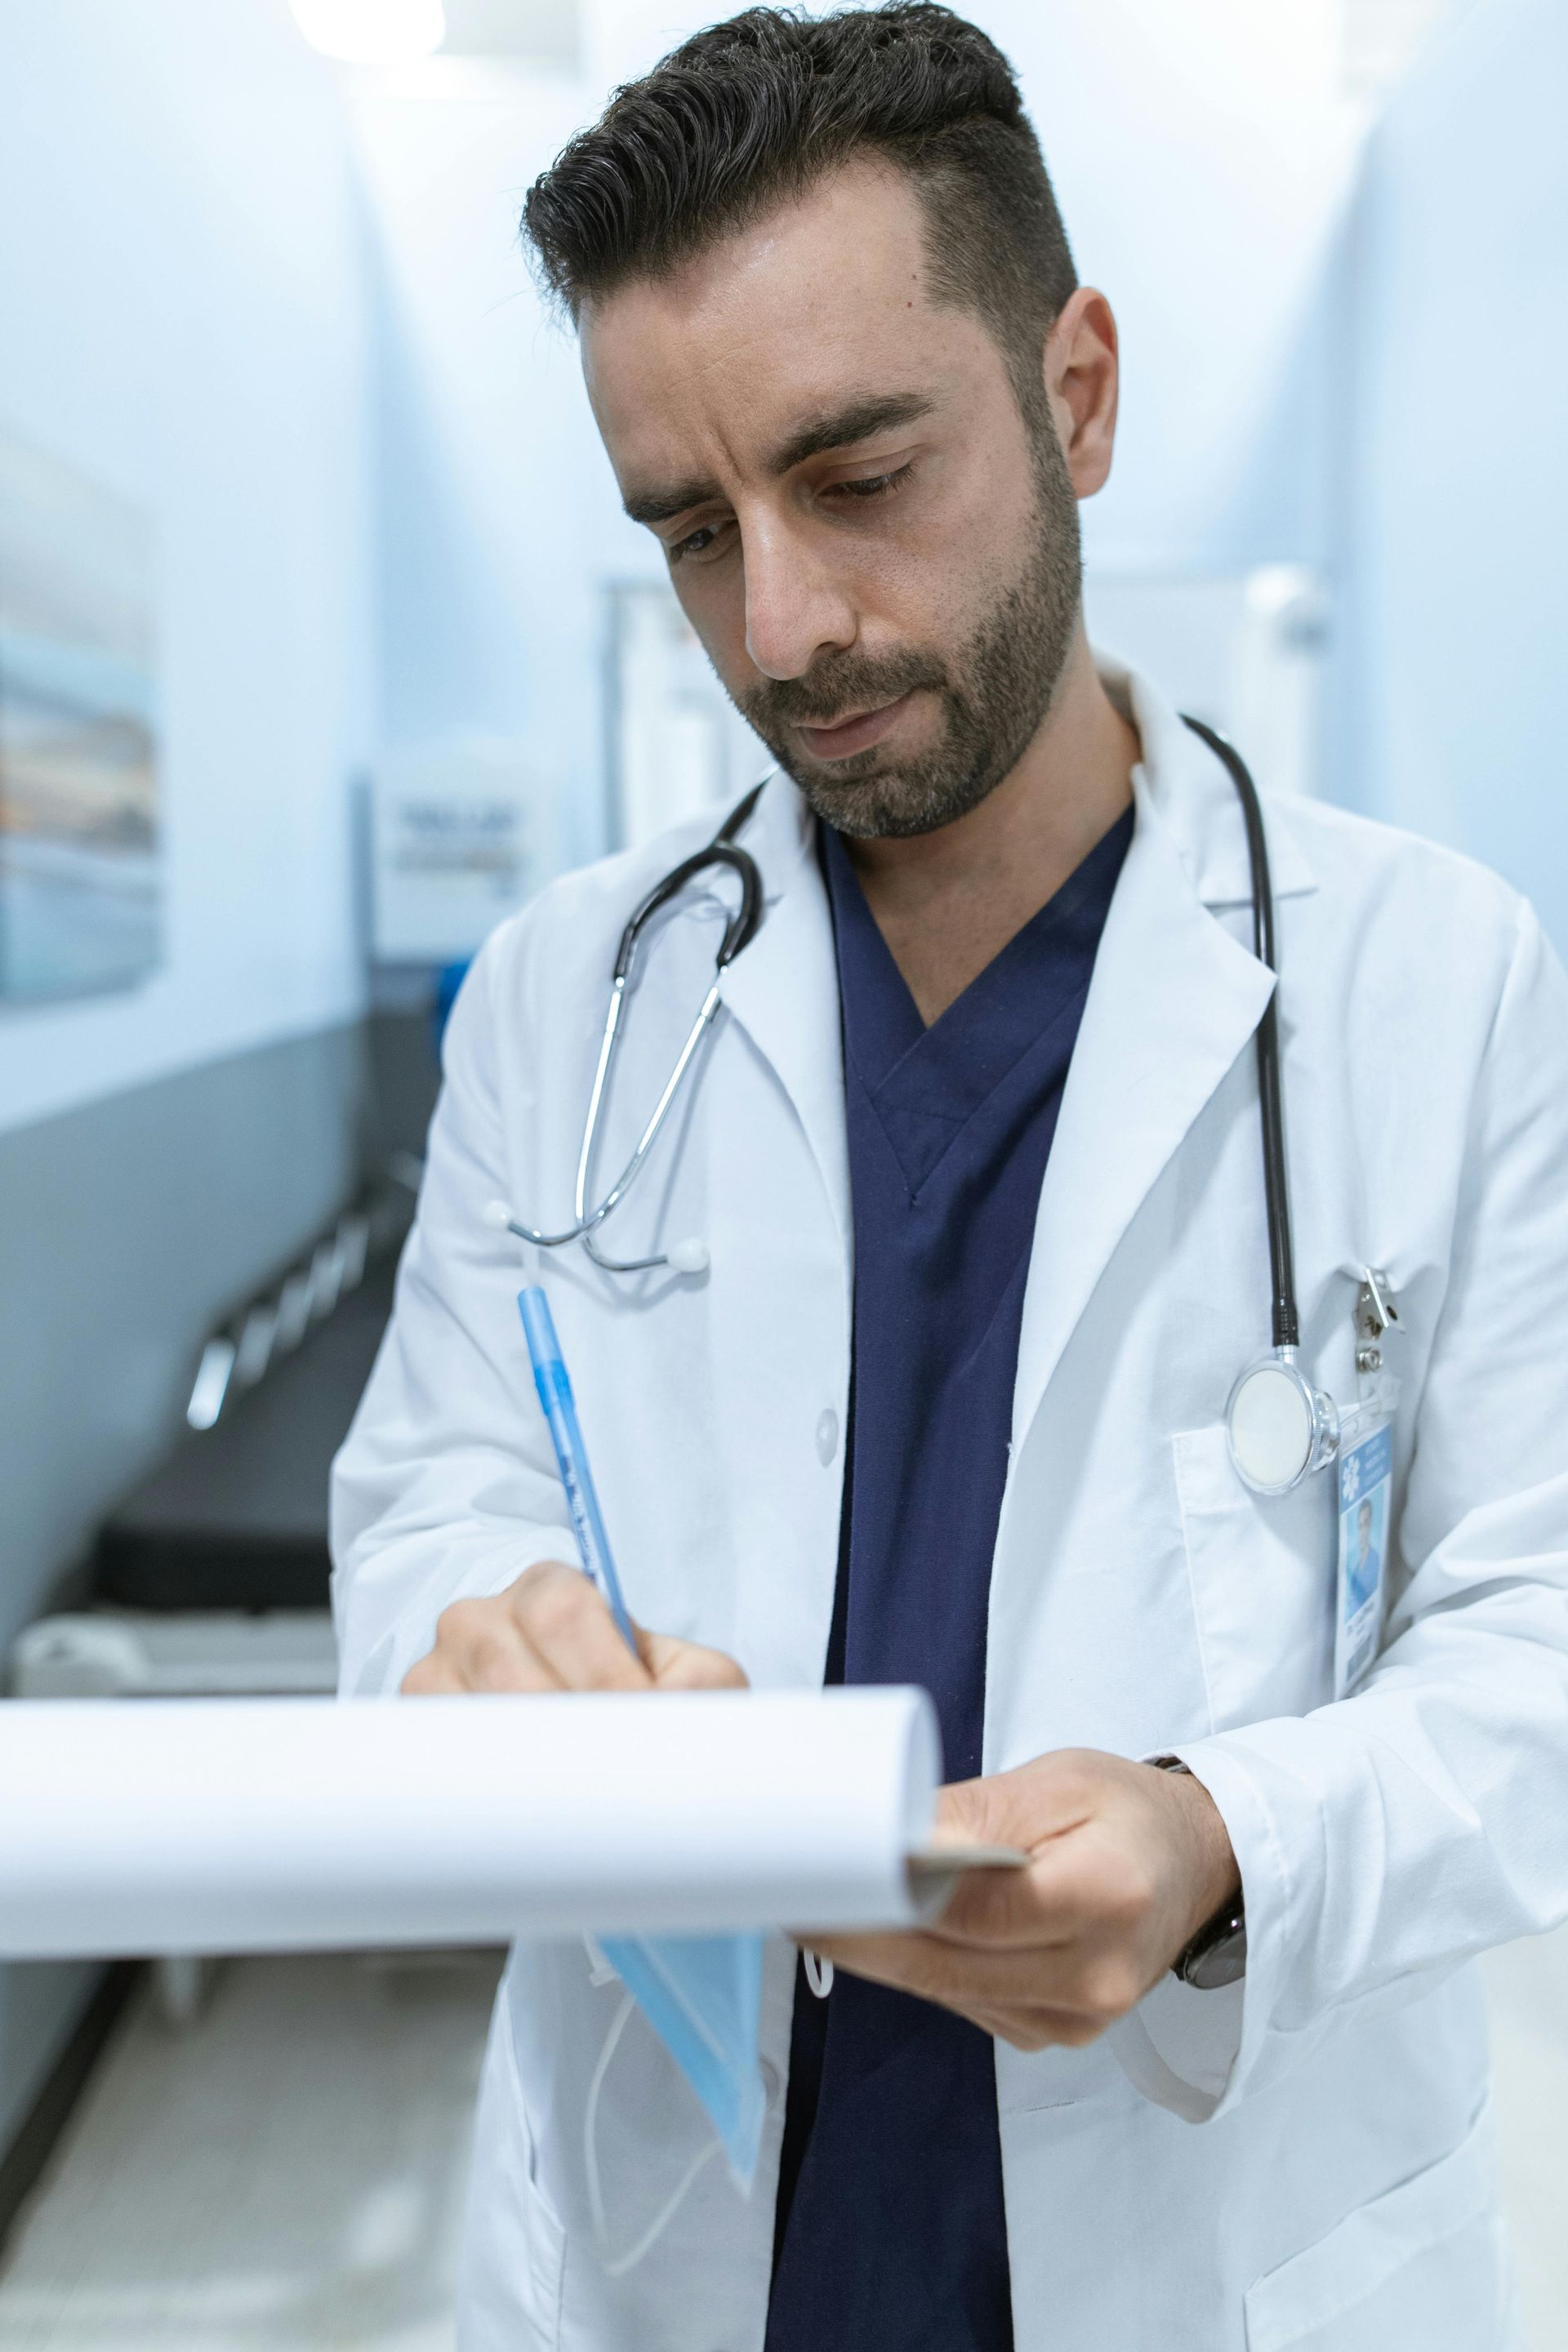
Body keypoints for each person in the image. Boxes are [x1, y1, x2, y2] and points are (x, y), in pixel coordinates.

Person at [330, 9, 1568, 2346]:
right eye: (693, 532)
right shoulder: (557, 1004)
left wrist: (1225, 1842)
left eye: (857, 472)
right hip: (674, 2244)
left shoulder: (1438, 981)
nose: (781, 625)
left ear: (1077, 390)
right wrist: (478, 1627)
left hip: (1232, 2247)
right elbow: (431, 1487)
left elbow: (1537, 1634)